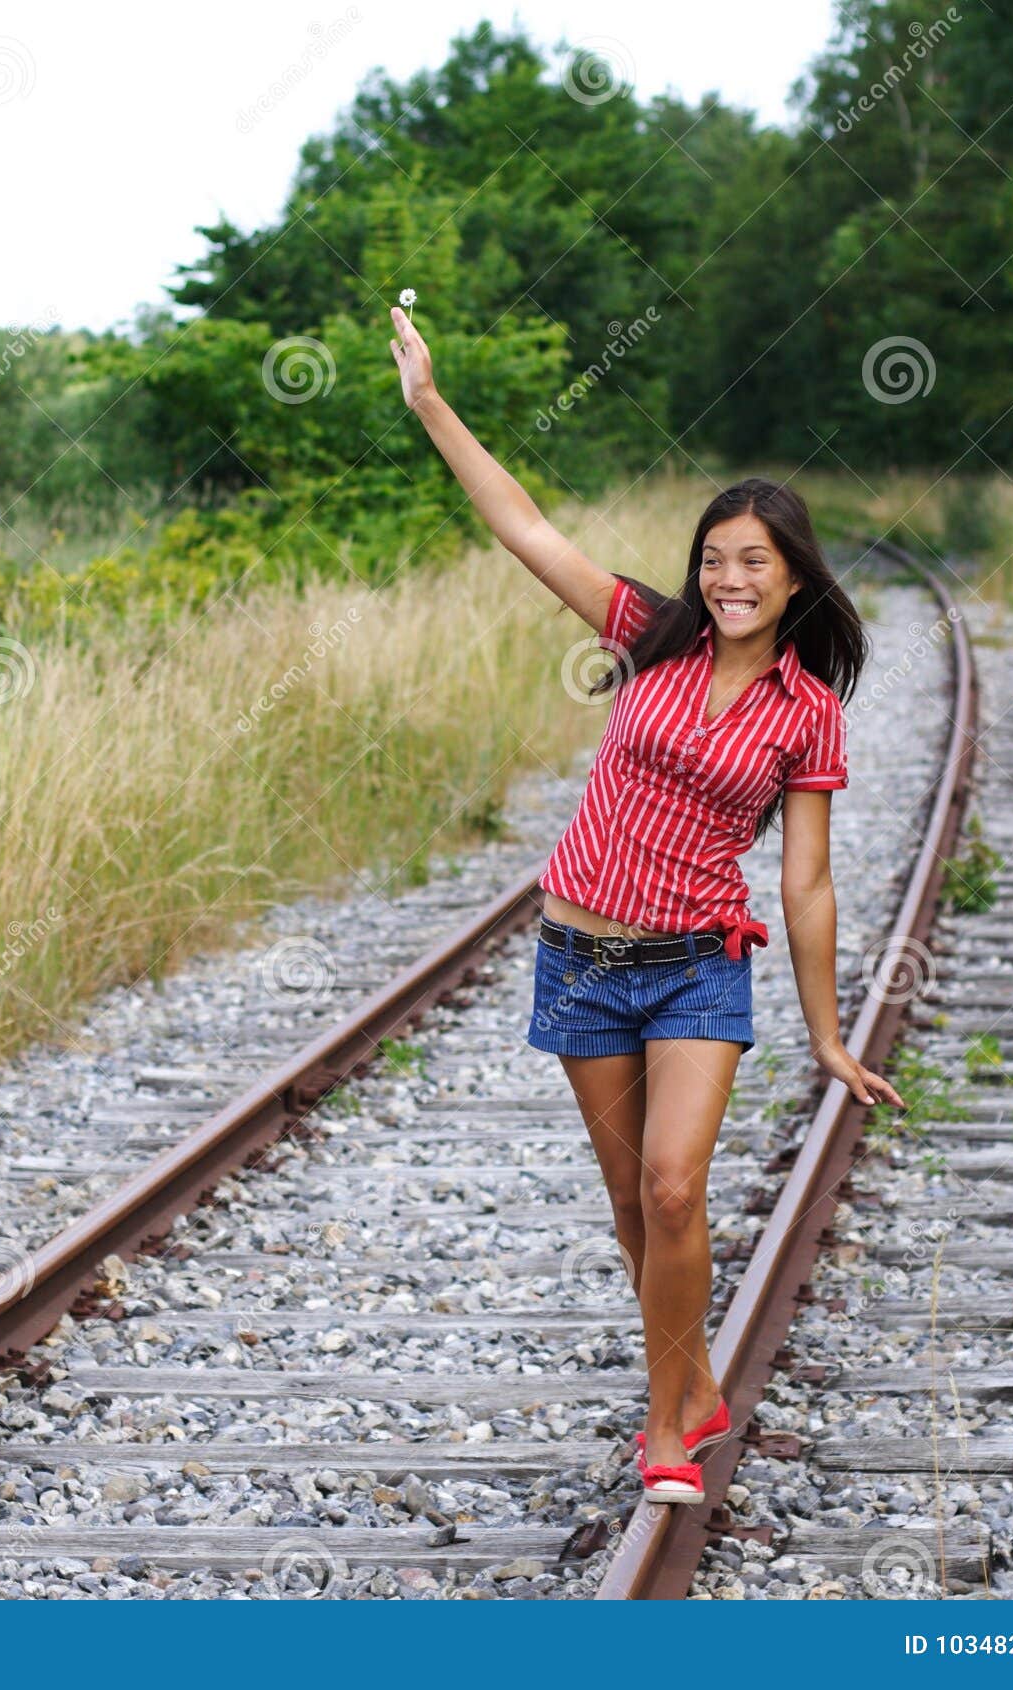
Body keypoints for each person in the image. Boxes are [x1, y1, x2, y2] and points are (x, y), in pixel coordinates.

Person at [389, 305, 906, 1504]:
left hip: (693, 963)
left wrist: (827, 1032)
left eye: (754, 563)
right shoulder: (646, 633)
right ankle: (691, 1378)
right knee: (634, 1206)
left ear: (790, 579)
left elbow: (807, 877)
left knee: (675, 1184)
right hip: (578, 954)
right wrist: (428, 404)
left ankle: (667, 1427)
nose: (730, 578)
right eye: (715, 557)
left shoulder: (806, 710)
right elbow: (523, 524)